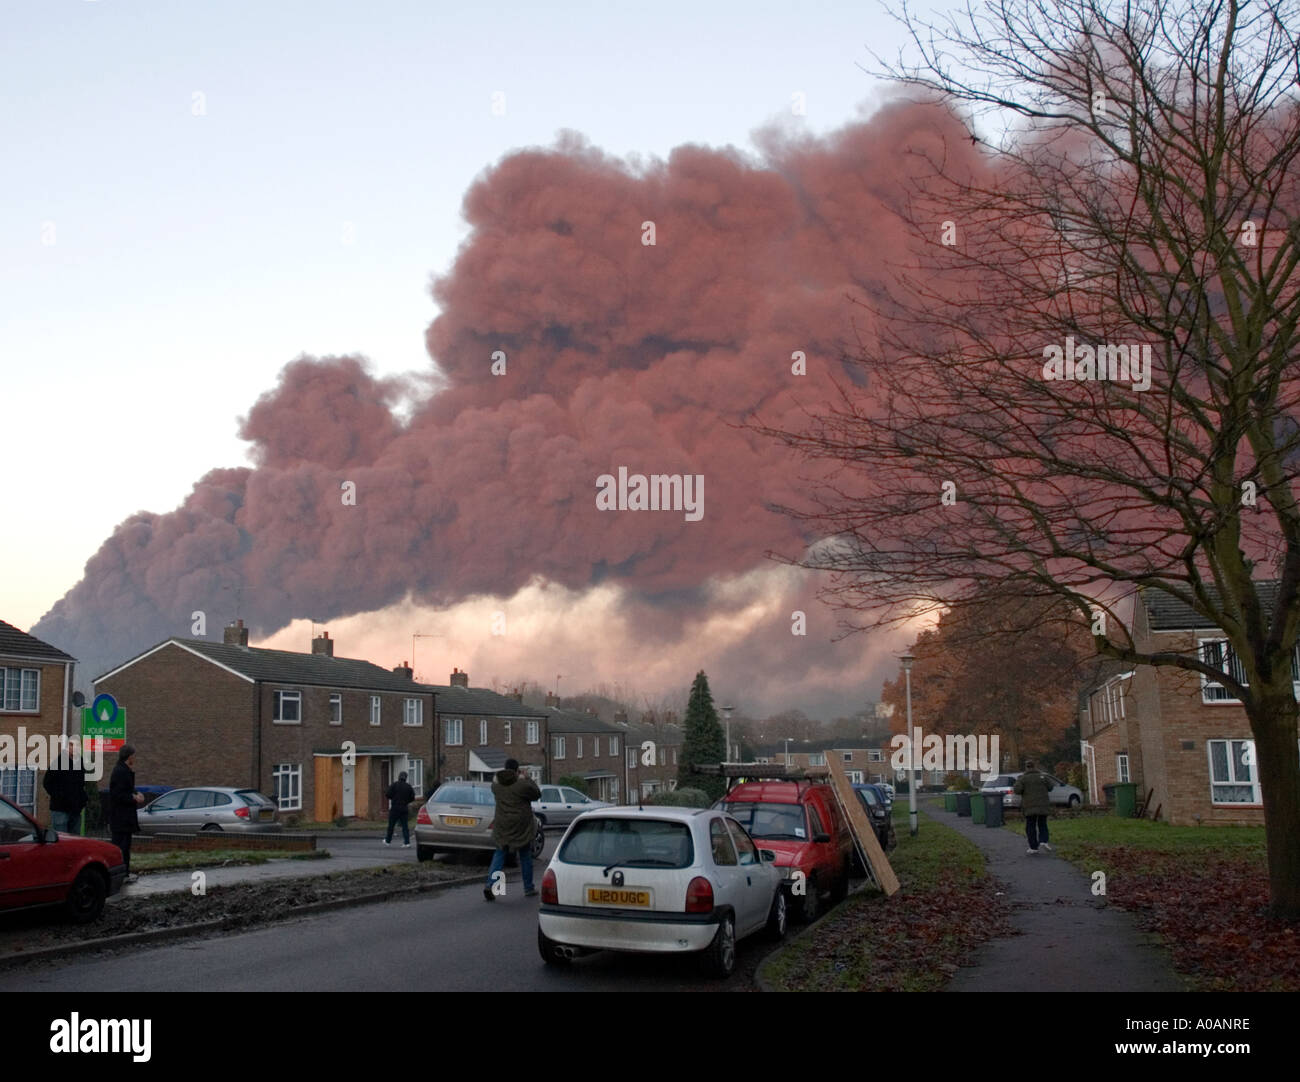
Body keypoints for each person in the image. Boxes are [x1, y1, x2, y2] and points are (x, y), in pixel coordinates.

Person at [484, 759, 540, 901]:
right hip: (521, 826)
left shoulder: (496, 785)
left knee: (499, 854)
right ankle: (528, 888)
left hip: (502, 825)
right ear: (517, 770)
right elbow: (537, 794)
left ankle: (490, 885)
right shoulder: (521, 785)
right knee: (525, 855)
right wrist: (526, 778)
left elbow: (496, 782)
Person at [108, 745, 145, 881]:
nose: (135, 758)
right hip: (121, 817)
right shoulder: (120, 771)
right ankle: (120, 874)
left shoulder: (123, 770)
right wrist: (133, 797)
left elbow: (127, 789)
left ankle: (124, 873)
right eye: (134, 756)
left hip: (124, 817)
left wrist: (136, 793)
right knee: (121, 847)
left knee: (125, 846)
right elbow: (117, 794)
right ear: (129, 757)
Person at [43, 737, 87, 834]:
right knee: (61, 839)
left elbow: (81, 784)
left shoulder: (80, 762)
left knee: (74, 840)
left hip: (75, 810)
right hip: (60, 810)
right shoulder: (58, 762)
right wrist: (59, 797)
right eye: (72, 745)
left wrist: (82, 800)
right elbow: (47, 782)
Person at [1014, 758, 1056, 854]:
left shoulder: (1022, 778)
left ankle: (1033, 847)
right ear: (1035, 766)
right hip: (1043, 805)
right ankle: (1044, 841)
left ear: (1026, 767)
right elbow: (1051, 787)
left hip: (1029, 806)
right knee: (1042, 823)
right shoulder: (1043, 776)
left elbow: (1017, 790)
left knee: (1030, 826)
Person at [384, 770, 416, 847]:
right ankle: (407, 842)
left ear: (399, 777)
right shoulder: (408, 786)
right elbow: (412, 797)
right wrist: (406, 801)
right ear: (406, 778)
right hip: (404, 808)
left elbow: (387, 794)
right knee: (405, 826)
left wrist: (393, 798)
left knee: (391, 825)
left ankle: (388, 841)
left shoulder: (394, 785)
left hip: (395, 808)